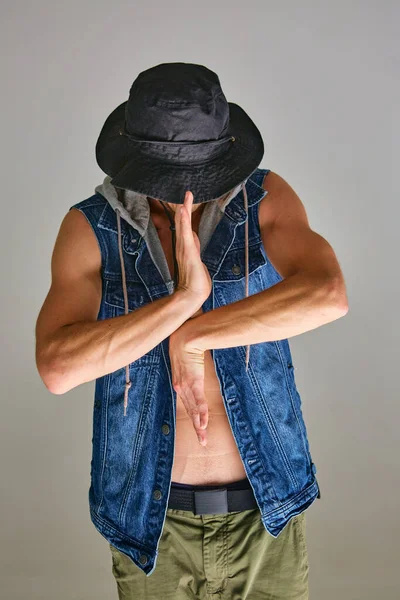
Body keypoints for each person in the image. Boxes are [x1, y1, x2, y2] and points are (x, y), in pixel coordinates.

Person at [35, 62, 348, 599]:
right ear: (135, 159)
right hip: (152, 527)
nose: (187, 190)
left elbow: (328, 293)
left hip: (265, 514)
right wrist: (182, 303)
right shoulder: (91, 227)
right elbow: (58, 367)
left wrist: (197, 334)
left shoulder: (262, 199)